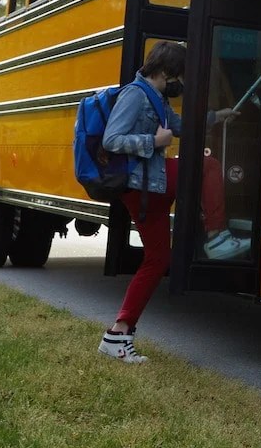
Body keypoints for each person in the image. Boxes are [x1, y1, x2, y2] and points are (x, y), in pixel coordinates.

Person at [94, 42, 230, 363]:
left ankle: (117, 335)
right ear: (165, 71)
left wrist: (215, 117)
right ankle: (218, 234)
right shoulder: (135, 94)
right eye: (179, 76)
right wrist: (153, 142)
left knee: (158, 259)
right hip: (143, 183)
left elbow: (181, 126)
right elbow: (111, 140)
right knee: (206, 166)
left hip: (149, 185)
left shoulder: (157, 98)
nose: (180, 83)